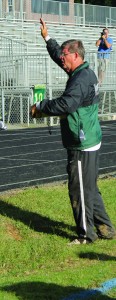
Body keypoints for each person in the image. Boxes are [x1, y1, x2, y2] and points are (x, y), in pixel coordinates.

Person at [30, 19, 115, 245]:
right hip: (90, 138)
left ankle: (86, 235)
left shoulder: (79, 80)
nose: (62, 61)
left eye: (65, 57)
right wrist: (47, 38)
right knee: (90, 187)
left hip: (81, 142)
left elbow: (65, 105)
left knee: (79, 190)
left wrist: (40, 107)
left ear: (75, 56)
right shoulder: (82, 72)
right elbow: (59, 54)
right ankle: (106, 227)